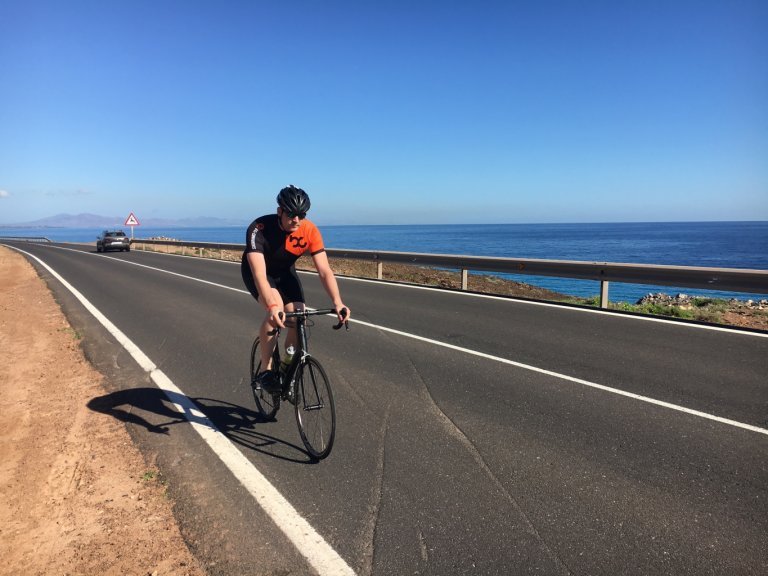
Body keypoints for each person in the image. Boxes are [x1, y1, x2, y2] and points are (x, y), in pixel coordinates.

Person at [241, 185, 350, 392]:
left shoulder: (309, 230)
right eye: (291, 214)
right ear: (280, 211)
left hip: (285, 272)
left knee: (298, 314)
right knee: (277, 310)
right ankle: (266, 369)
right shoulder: (259, 228)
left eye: (302, 215)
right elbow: (260, 275)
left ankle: (288, 362)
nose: (296, 220)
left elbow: (325, 270)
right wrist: (272, 306)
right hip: (260, 273)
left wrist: (337, 302)